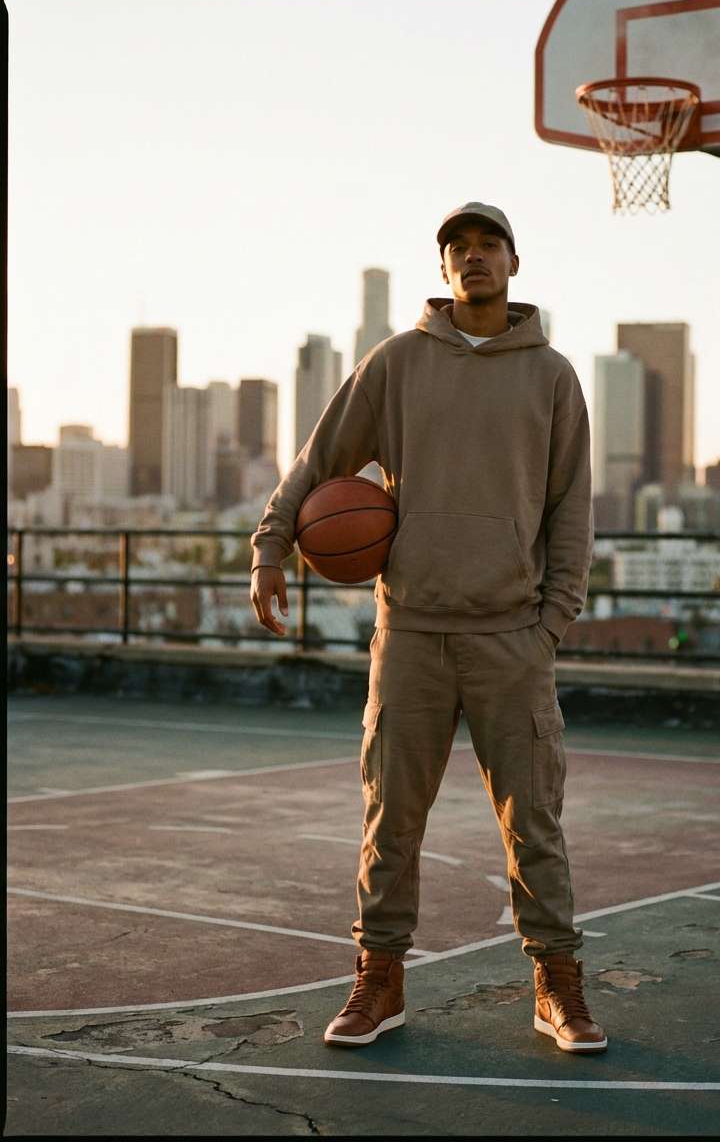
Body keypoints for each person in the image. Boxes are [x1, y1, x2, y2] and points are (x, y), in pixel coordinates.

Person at [250, 201, 605, 1053]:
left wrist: (549, 624)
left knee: (536, 823)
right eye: (458, 248)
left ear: (514, 264)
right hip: (409, 632)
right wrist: (270, 546)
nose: (473, 258)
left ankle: (557, 984)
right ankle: (381, 980)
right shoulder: (398, 361)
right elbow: (318, 460)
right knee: (390, 819)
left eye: (488, 246)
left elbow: (571, 513)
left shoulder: (553, 375)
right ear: (443, 270)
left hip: (510, 638)